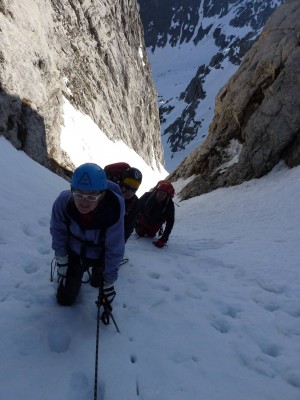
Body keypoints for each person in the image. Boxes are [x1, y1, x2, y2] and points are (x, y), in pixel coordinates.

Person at [50, 163, 125, 306]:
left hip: (100, 255)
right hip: (75, 253)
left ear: (102, 195)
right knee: (65, 299)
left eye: (92, 196)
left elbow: (115, 248)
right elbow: (58, 232)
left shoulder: (113, 212)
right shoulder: (63, 204)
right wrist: (62, 260)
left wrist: (108, 281)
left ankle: (98, 273)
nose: (84, 201)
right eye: (79, 194)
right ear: (72, 191)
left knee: (98, 282)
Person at [104, 163, 143, 242]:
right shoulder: (108, 192)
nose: (130, 192)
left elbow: (128, 227)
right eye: (127, 186)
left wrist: (119, 244)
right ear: (121, 182)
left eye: (134, 189)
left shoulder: (135, 203)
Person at [135, 180, 175, 248]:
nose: (161, 196)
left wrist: (163, 239)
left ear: (167, 196)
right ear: (156, 192)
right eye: (160, 193)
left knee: (151, 234)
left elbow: (170, 223)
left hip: (154, 225)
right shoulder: (147, 196)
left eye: (164, 194)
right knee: (140, 233)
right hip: (142, 221)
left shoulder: (169, 205)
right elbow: (135, 208)